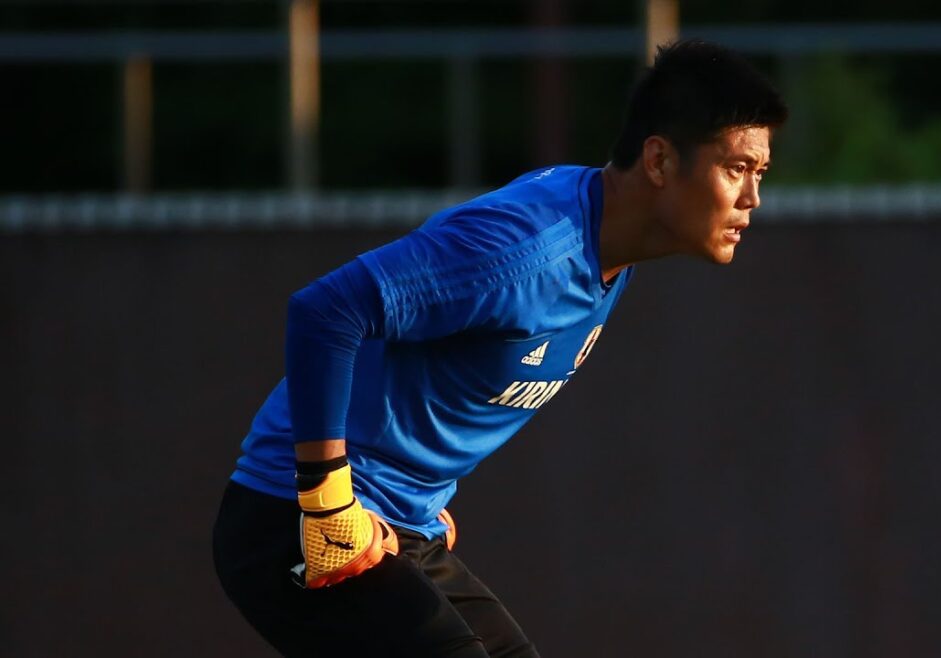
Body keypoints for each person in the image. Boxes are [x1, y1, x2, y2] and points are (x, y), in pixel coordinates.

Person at [212, 39, 787, 657]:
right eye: (736, 169)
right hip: (293, 517)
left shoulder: (614, 247)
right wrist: (326, 502)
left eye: (760, 174)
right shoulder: (525, 251)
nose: (752, 198)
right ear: (659, 161)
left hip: (399, 525)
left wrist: (419, 498)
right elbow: (326, 310)